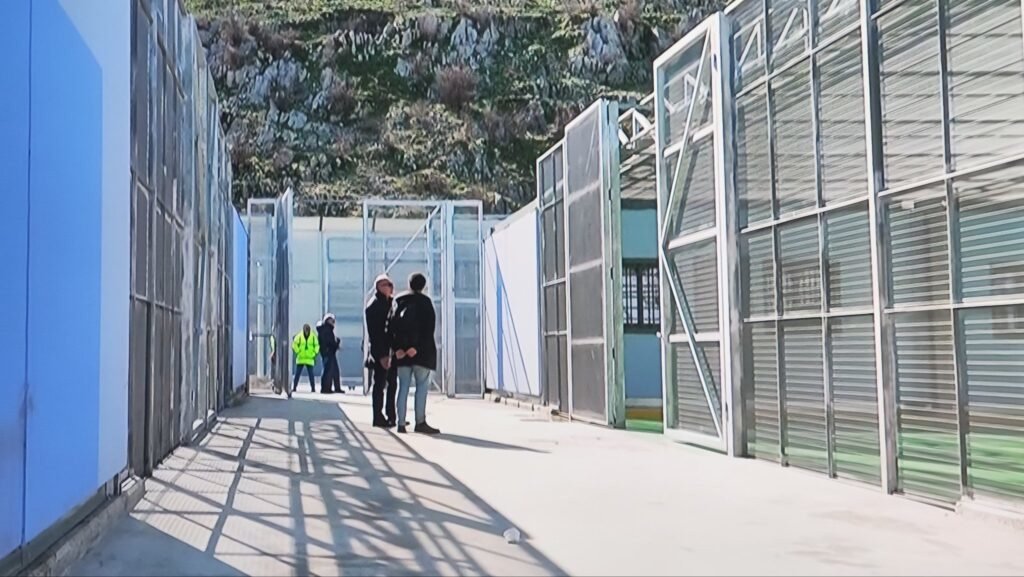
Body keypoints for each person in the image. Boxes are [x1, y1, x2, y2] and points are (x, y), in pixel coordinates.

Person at [390, 273, 440, 435]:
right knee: (421, 387)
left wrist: (398, 348)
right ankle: (420, 422)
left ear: (409, 284)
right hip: (421, 353)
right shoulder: (426, 303)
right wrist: (416, 347)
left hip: (401, 354)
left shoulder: (398, 301)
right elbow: (428, 329)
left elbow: (391, 326)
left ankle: (401, 423)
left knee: (403, 386)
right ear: (423, 286)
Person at [365, 274, 398, 428]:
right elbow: (376, 333)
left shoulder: (389, 303)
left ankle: (391, 415)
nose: (390, 288)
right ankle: (378, 416)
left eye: (391, 285)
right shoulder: (375, 305)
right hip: (382, 352)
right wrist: (383, 355)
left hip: (390, 350)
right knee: (380, 385)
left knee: (392, 384)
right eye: (386, 285)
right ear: (378, 286)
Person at [317, 313, 344, 394]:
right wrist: (336, 343)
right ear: (328, 320)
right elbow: (329, 342)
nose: (333, 322)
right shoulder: (326, 330)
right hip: (328, 353)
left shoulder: (327, 329)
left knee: (334, 371)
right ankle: (326, 388)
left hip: (329, 352)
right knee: (328, 371)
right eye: (332, 321)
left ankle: (336, 387)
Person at [291, 324, 319, 393]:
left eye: (307, 330)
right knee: (297, 374)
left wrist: (314, 353)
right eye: (306, 330)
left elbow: (317, 345)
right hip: (301, 358)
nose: (307, 332)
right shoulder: (299, 336)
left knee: (311, 375)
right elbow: (294, 344)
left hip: (309, 358)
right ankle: (294, 387)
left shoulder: (313, 336)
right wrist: (298, 351)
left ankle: (313, 388)